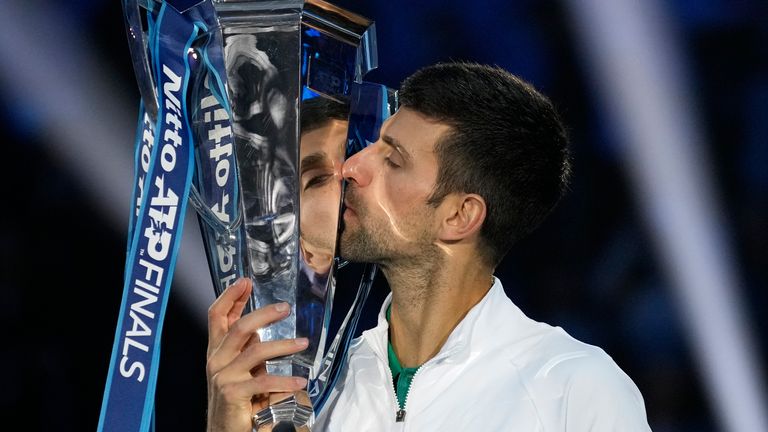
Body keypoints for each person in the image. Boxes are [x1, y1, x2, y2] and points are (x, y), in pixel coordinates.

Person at [205, 62, 651, 431]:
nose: (352, 168)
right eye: (372, 146)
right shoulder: (319, 387)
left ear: (459, 216)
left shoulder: (574, 389)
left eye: (393, 159)